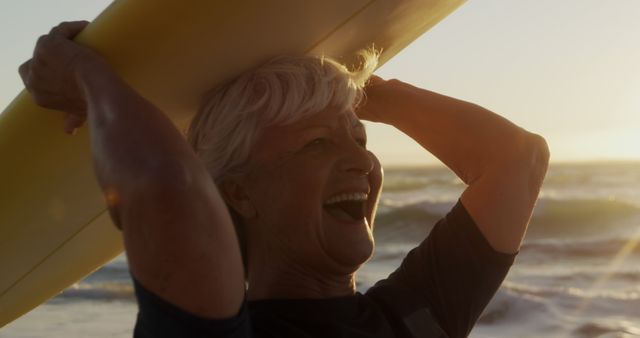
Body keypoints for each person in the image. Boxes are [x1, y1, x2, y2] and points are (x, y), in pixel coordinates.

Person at [20, 21, 550, 338]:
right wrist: (83, 78)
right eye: (317, 144)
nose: (362, 163)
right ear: (239, 191)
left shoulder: (410, 319)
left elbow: (517, 159)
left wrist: (355, 89)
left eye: (361, 141)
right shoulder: (210, 328)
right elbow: (167, 187)